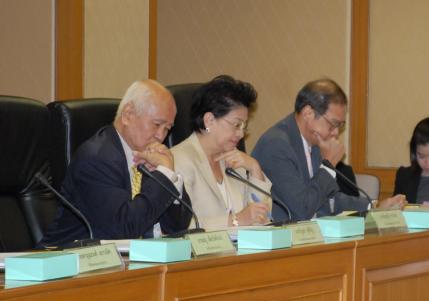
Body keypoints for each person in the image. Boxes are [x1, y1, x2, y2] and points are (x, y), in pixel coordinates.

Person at [42, 80, 193, 246]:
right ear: (128, 115)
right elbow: (123, 229)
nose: (161, 135)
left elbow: (175, 227)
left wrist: (170, 176)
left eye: (167, 128)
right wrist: (164, 175)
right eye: (157, 124)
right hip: (70, 259)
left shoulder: (147, 157)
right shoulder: (96, 159)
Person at [251, 78, 406, 221]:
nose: (336, 133)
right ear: (308, 113)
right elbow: (302, 209)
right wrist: (328, 164)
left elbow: (329, 200)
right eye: (333, 124)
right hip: (281, 237)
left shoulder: (314, 141)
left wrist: (374, 206)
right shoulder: (276, 145)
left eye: (340, 126)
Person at [171, 75, 272, 228]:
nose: (241, 134)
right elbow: (180, 227)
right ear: (209, 121)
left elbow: (262, 217)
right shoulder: (179, 160)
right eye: (236, 125)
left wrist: (254, 168)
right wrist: (236, 221)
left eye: (244, 126)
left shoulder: (236, 161)